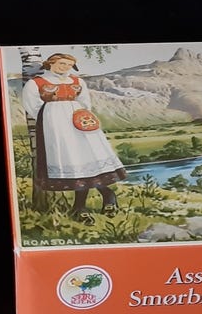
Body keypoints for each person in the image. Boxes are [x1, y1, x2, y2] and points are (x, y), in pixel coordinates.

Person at [22, 52, 127, 225]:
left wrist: (78, 117)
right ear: (50, 64)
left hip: (80, 125)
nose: (65, 68)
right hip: (55, 128)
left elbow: (85, 103)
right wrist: (52, 118)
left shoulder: (78, 82)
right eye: (62, 63)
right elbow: (33, 106)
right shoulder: (36, 83)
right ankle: (93, 202)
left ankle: (87, 204)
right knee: (72, 161)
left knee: (86, 160)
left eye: (69, 65)